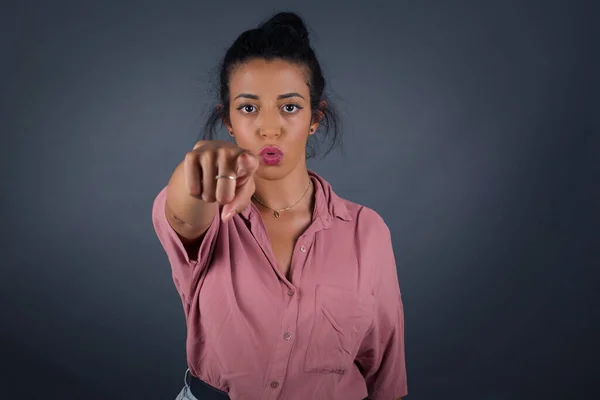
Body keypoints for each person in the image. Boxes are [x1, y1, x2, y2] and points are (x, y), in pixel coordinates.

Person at [152, 11, 407, 400]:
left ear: (314, 117)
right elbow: (185, 205)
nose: (269, 128)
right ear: (229, 121)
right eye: (249, 108)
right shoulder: (211, 215)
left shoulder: (366, 230)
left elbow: (385, 372)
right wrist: (207, 159)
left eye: (288, 107)